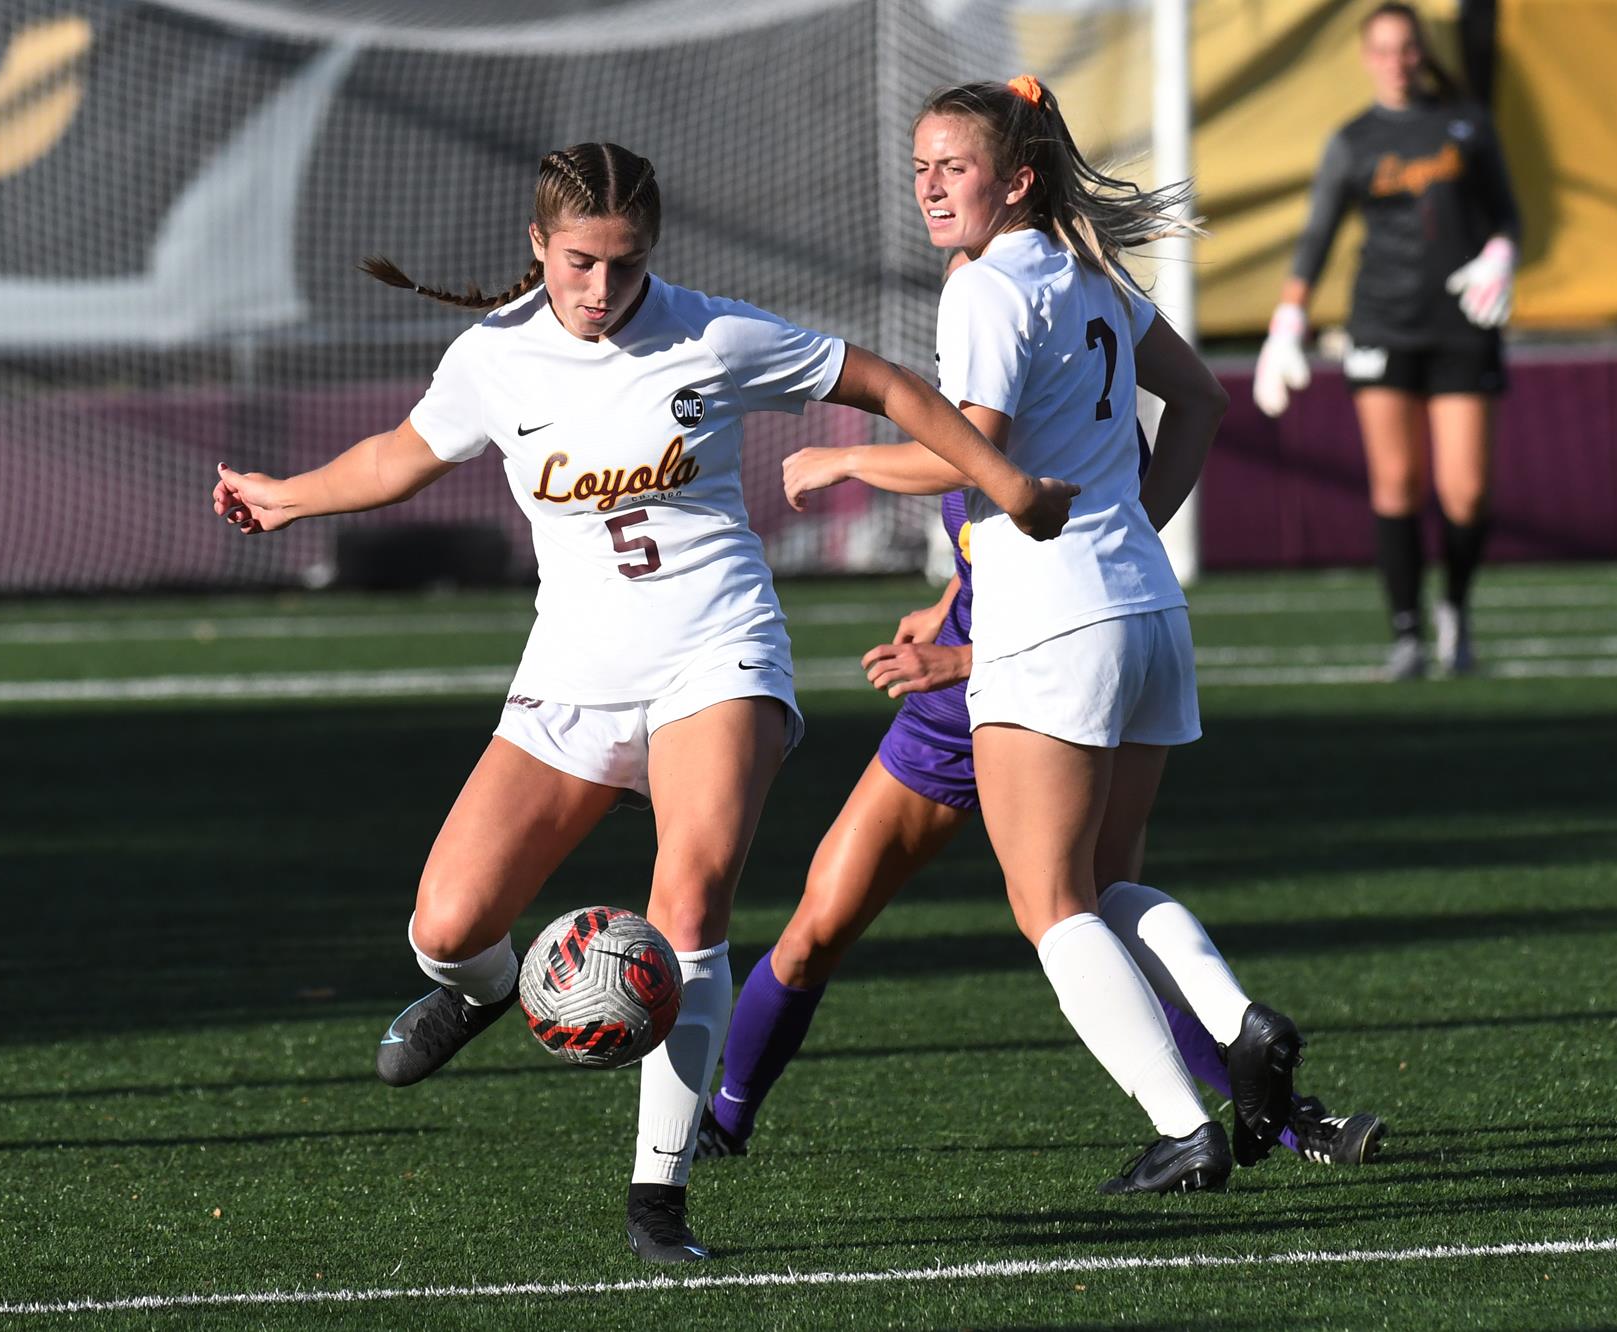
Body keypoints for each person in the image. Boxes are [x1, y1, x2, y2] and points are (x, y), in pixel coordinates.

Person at [210, 142, 1073, 1264]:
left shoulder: (711, 334)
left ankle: (658, 1199)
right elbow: (399, 456)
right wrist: (288, 498)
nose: (602, 288)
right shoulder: (494, 357)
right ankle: (482, 993)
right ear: (538, 244)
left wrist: (1004, 483)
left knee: (691, 901)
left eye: (625, 263)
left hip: (717, 654)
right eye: (579, 262)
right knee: (446, 928)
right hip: (574, 675)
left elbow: (886, 386)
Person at [802, 75, 1310, 1196]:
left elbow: (967, 452)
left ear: (1017, 179)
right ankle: (1237, 1021)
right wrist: (1134, 528)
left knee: (1047, 904)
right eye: (921, 166)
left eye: (956, 167)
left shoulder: (988, 286)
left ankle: (1184, 1130)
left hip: (1054, 621)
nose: (931, 186)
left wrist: (841, 458)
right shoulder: (1088, 270)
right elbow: (1202, 401)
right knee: (1106, 883)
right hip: (1144, 608)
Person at [699, 454, 1386, 1174]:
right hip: (957, 708)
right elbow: (989, 523)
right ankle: (724, 1121)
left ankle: (1282, 1122)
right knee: (818, 929)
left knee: (1088, 920)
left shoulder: (1029, 408)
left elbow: (1074, 590)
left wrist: (846, 461)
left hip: (1038, 695)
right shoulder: (1000, 402)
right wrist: (948, 604)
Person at [1253, 2, 1523, 680]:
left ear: (1421, 52)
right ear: (1366, 57)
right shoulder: (1354, 140)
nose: (1396, 61)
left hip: (1462, 328)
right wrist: (1288, 321)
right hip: (1382, 326)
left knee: (1466, 492)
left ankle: (1455, 608)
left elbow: (1508, 216)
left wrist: (1501, 254)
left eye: (1407, 47)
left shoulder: (1467, 124)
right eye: (1383, 49)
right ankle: (1406, 632)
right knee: (1397, 482)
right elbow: (1316, 237)